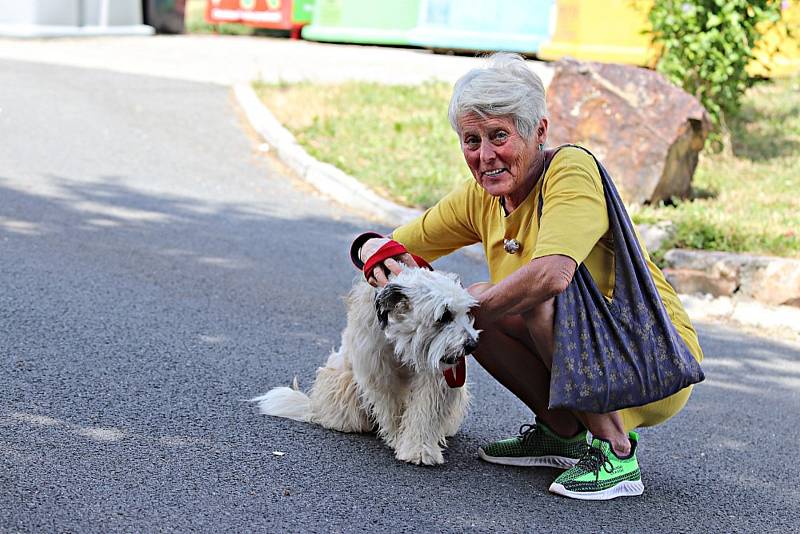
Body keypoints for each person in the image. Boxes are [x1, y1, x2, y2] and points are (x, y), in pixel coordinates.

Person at [353, 53, 703, 500]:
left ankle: (616, 452)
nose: (485, 155)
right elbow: (401, 248)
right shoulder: (481, 197)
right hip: (591, 353)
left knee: (505, 300)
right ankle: (563, 433)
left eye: (499, 135)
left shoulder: (571, 171)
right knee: (480, 312)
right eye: (471, 140)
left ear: (538, 132)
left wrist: (460, 313)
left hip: (651, 353)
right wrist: (368, 248)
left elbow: (552, 276)